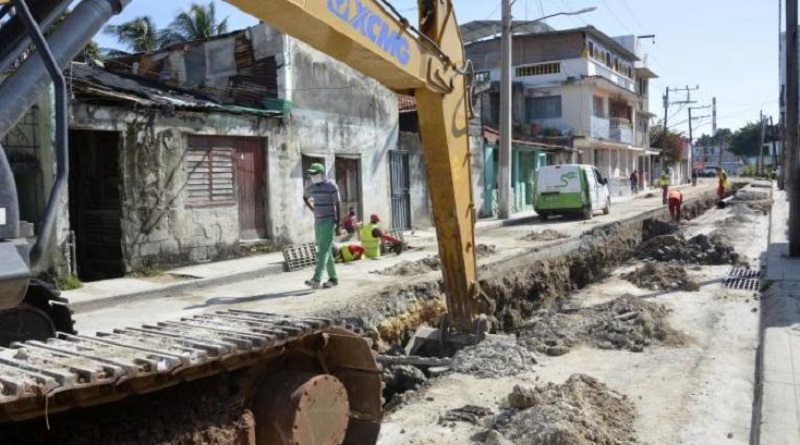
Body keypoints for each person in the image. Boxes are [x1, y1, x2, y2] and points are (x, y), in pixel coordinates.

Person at [302, 162, 340, 289]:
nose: (313, 177)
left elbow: (337, 204)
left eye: (315, 174)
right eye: (311, 175)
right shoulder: (312, 187)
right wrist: (313, 209)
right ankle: (333, 278)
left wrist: (338, 222)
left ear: (322, 174)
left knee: (323, 250)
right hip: (318, 221)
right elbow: (304, 197)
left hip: (329, 221)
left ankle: (316, 279)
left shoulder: (331, 186)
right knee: (326, 249)